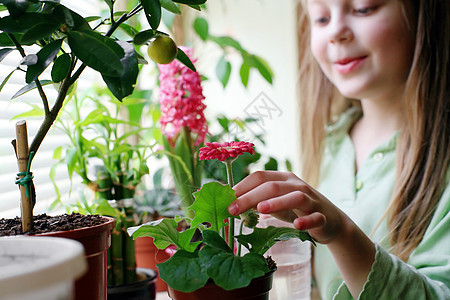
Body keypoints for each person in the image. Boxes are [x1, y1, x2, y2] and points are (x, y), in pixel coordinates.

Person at [227, 0, 450, 299]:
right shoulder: (330, 145)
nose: (335, 32)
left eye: (363, 8)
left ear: (425, 16)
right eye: (321, 18)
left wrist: (342, 234)